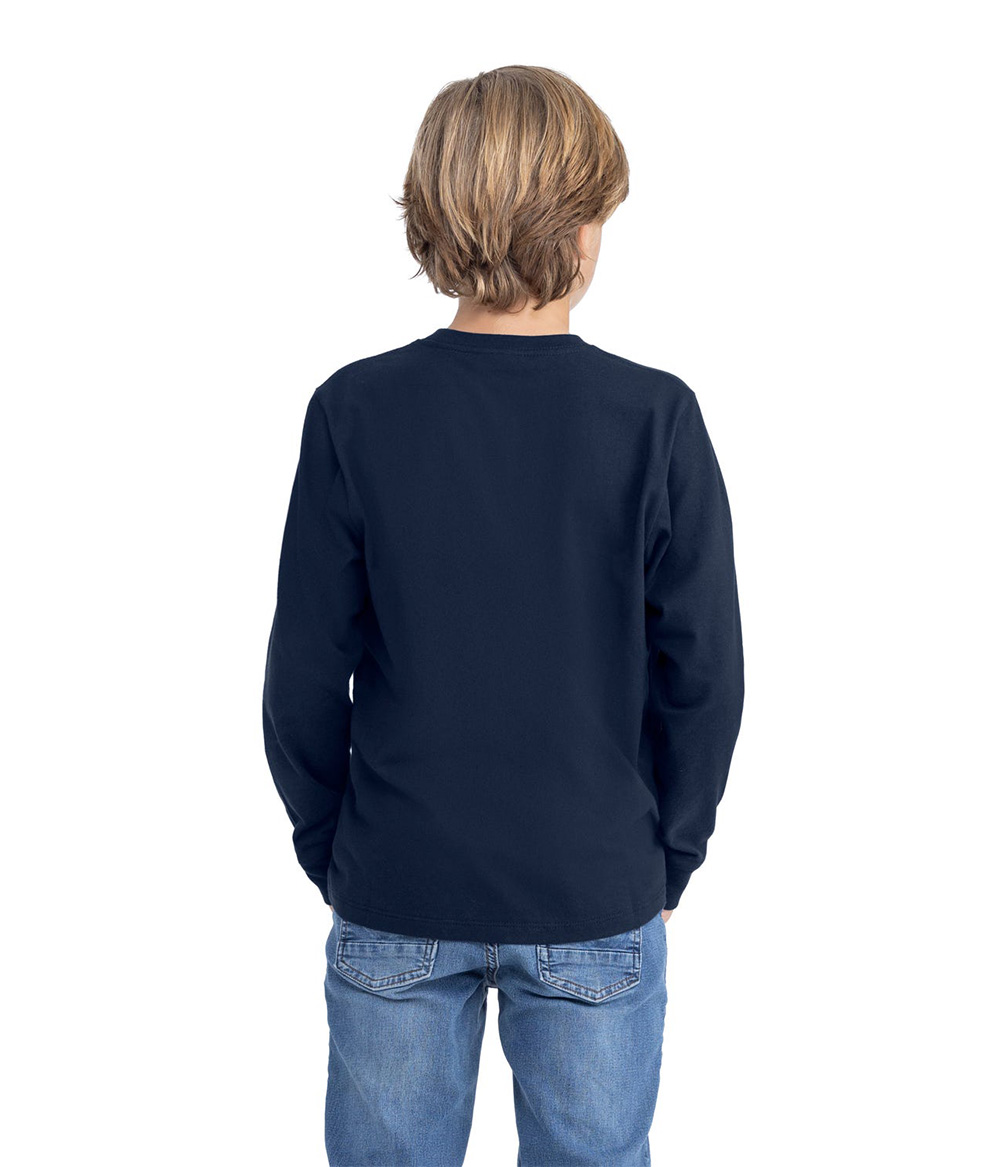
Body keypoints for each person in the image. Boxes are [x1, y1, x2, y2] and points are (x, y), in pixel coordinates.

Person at [262, 64, 744, 1167]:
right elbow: (705, 676)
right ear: (578, 227)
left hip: (397, 879)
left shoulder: (354, 410)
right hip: (592, 886)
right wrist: (667, 857)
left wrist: (335, 850)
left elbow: (302, 676)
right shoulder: (653, 418)